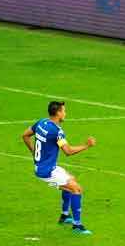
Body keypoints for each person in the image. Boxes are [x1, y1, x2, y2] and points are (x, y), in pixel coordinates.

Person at [20, 101, 97, 235]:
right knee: (76, 189)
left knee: (71, 178)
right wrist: (86, 145)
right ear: (58, 113)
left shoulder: (41, 122)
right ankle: (77, 226)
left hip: (46, 166)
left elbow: (25, 135)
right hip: (47, 171)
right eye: (64, 111)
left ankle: (65, 215)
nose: (65, 114)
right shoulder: (56, 132)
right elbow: (68, 151)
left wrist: (34, 152)